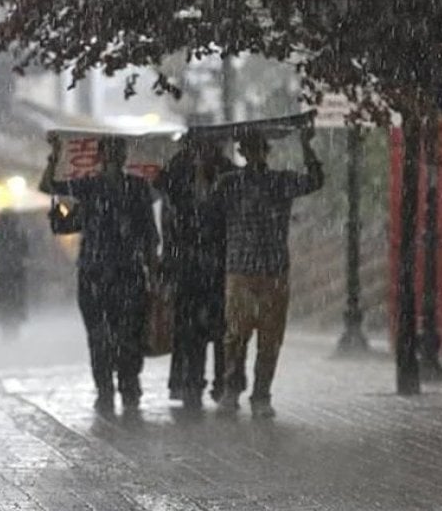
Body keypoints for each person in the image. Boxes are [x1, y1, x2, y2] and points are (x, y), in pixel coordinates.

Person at [41, 136, 159, 416]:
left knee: (129, 333)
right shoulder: (88, 187)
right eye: (110, 152)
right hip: (95, 273)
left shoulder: (138, 188)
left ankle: (129, 384)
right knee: (99, 336)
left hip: (128, 273)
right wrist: (55, 156)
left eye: (119, 151)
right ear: (102, 156)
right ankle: (105, 388)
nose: (115, 157)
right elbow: (50, 187)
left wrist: (153, 271)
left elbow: (148, 235)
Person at [214, 126, 323, 419]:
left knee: (269, 338)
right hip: (241, 270)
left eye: (257, 148)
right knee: (235, 336)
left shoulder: (280, 182)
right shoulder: (229, 184)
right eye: (248, 149)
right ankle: (232, 389)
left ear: (265, 151)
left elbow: (314, 180)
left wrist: (306, 146)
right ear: (242, 153)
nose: (254, 155)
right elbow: (206, 205)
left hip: (272, 270)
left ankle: (261, 394)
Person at [155, 136, 238, 410]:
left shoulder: (226, 171)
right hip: (188, 264)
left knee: (221, 328)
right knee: (190, 329)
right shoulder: (178, 170)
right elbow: (167, 205)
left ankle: (223, 383)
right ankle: (191, 383)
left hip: (218, 263)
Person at [0, 209, 30, 340]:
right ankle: (14, 329)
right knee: (15, 302)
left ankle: (4, 329)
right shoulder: (19, 233)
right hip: (16, 274)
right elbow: (26, 252)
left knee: (2, 301)